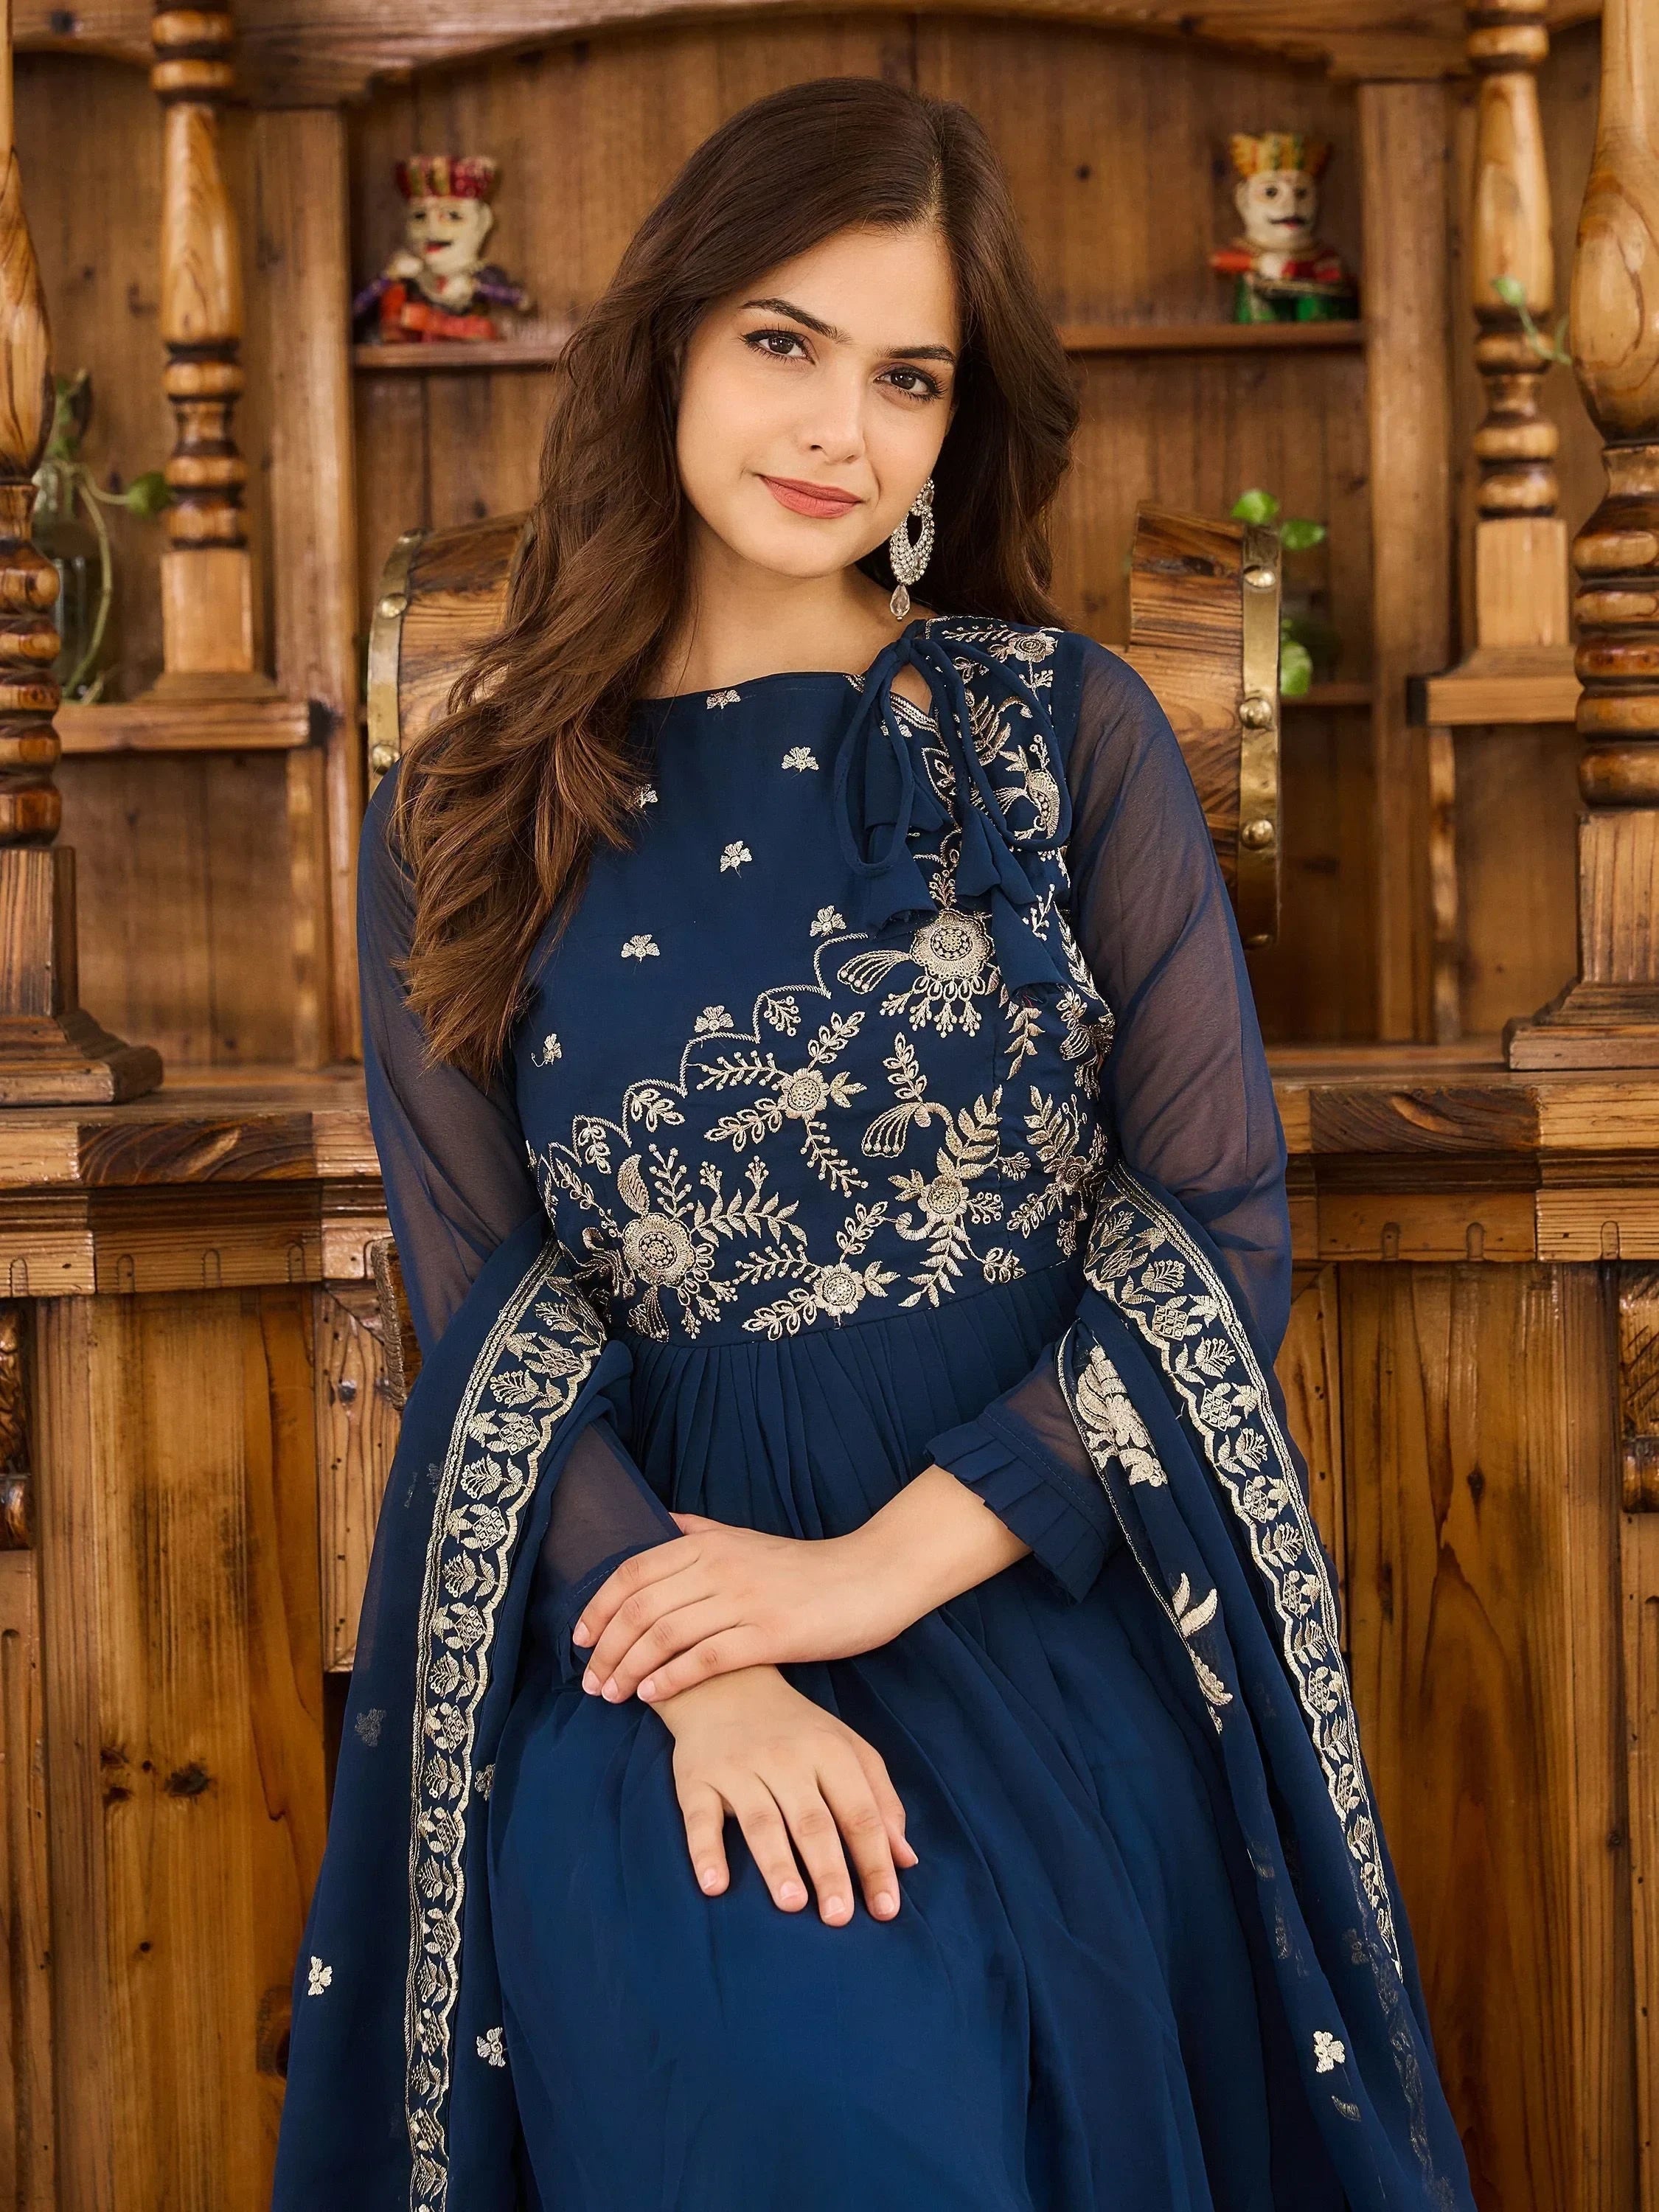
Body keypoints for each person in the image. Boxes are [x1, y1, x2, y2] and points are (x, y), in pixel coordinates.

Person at [274, 76, 1477, 2212]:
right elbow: (480, 1306)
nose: (839, 426)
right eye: (781, 343)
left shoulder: (1056, 735)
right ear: (661, 347)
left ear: (953, 425)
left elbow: (1209, 1225)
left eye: (903, 375)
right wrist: (716, 1668)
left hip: (1025, 1588)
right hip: (652, 1628)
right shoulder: (463, 813)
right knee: (809, 2091)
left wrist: (859, 1581)